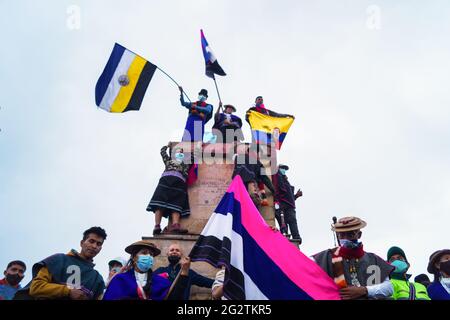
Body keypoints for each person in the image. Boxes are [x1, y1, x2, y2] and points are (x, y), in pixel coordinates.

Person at [313, 216, 394, 300]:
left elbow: (388, 288)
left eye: (350, 234)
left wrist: (364, 290)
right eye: (342, 234)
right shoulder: (326, 257)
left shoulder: (373, 259)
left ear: (359, 235)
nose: (345, 238)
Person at [15, 227, 107, 300]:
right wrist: (68, 291)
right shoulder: (58, 259)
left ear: (101, 249)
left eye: (98, 244)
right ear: (82, 243)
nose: (94, 246)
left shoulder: (97, 279)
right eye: (91, 241)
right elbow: (35, 287)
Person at [103, 240, 190, 300]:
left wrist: (184, 272)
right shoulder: (120, 279)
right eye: (144, 253)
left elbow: (175, 297)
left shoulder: (161, 281)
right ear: (134, 257)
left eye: (151, 254)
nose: (148, 256)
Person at [146, 144, 195, 235]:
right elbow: (163, 152)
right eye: (178, 151)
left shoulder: (186, 164)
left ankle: (175, 225)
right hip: (165, 181)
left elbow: (193, 156)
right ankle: (157, 226)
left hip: (179, 183)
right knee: (159, 204)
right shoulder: (169, 161)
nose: (180, 153)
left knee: (176, 204)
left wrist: (193, 148)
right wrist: (167, 146)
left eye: (181, 152)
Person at [232, 144, 275, 208]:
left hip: (237, 189)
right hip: (251, 190)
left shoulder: (239, 158)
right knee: (252, 210)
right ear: (255, 152)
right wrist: (274, 190)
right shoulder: (258, 163)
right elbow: (265, 178)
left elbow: (234, 174)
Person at [272, 164, 303, 242]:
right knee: (283, 222)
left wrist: (296, 196)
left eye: (285, 169)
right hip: (280, 204)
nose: (284, 170)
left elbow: (288, 197)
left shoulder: (285, 181)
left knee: (292, 221)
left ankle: (296, 238)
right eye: (282, 168)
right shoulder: (277, 176)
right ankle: (285, 238)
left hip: (289, 205)